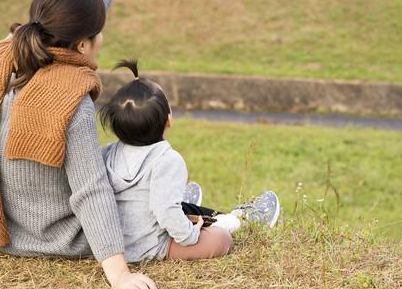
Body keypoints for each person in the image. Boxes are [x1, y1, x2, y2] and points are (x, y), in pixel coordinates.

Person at [0, 0, 163, 289]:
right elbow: (90, 189)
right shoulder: (70, 99)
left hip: (6, 227)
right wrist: (120, 274)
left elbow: (68, 15)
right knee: (133, 174)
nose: (102, 38)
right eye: (99, 32)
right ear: (82, 44)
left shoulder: (4, 57)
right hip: (60, 236)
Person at [99, 60, 281, 263]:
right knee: (221, 239)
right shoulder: (167, 161)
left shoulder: (107, 153)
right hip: (151, 245)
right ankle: (238, 220)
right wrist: (190, 235)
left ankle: (182, 206)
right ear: (168, 120)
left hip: (113, 246)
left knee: (168, 206)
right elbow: (165, 211)